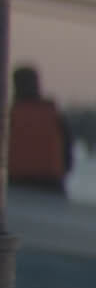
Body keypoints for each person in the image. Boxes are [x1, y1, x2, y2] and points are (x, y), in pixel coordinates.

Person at [9, 66, 71, 196]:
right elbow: (68, 159)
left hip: (15, 188)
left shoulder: (9, 118)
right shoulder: (54, 116)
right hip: (51, 188)